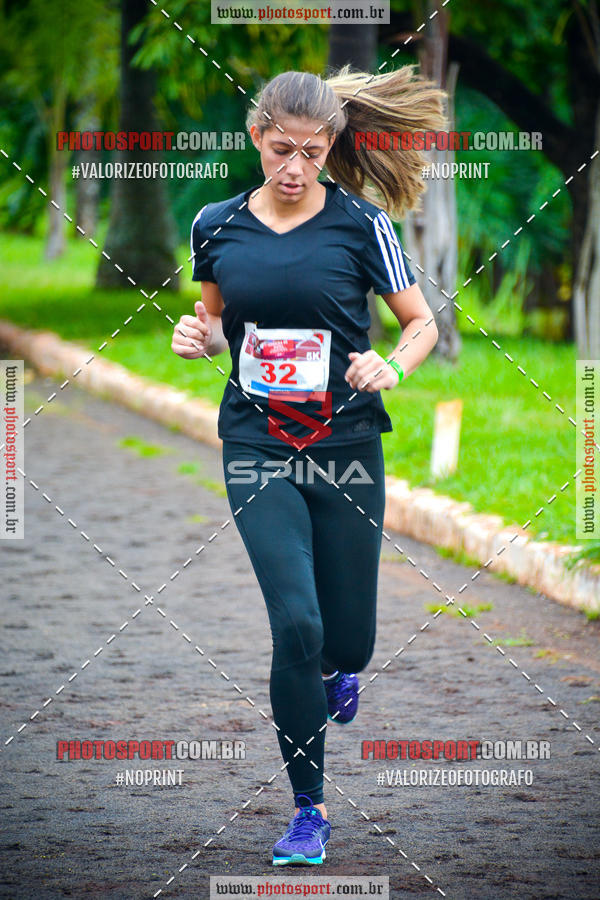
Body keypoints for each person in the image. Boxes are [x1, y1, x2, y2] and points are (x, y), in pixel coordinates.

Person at [171, 65, 447, 866]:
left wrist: (392, 364)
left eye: (312, 153)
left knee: (347, 642)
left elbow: (420, 323)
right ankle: (308, 810)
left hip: (346, 447)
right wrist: (198, 337)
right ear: (256, 137)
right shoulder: (215, 225)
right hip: (256, 446)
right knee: (297, 623)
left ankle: (337, 670)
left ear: (331, 148)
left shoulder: (362, 225)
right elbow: (216, 321)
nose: (294, 168)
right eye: (281, 150)